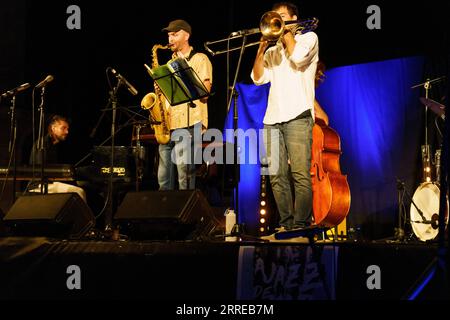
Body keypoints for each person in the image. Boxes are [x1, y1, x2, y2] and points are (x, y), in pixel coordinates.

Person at [251, 2, 319, 233]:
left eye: (281, 17)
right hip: (272, 118)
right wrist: (261, 48)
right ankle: (285, 224)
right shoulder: (273, 50)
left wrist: (288, 35)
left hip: (298, 114)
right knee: (276, 176)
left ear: (294, 18)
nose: (276, 21)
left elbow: (299, 59)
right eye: (274, 18)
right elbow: (258, 78)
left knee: (299, 173)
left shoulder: (309, 38)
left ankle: (300, 225)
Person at [158, 19, 213, 190]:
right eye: (169, 35)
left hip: (189, 124)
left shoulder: (199, 59)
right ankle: (164, 211)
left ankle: (186, 214)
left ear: (186, 35)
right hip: (168, 124)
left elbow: (205, 94)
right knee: (163, 177)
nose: (170, 39)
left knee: (185, 176)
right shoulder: (167, 65)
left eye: (174, 34)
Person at [28, 114, 86, 202]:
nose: (67, 132)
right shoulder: (42, 144)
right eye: (63, 128)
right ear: (53, 128)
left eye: (67, 129)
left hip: (49, 183)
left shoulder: (53, 146)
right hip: (39, 185)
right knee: (79, 191)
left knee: (79, 188)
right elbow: (41, 170)